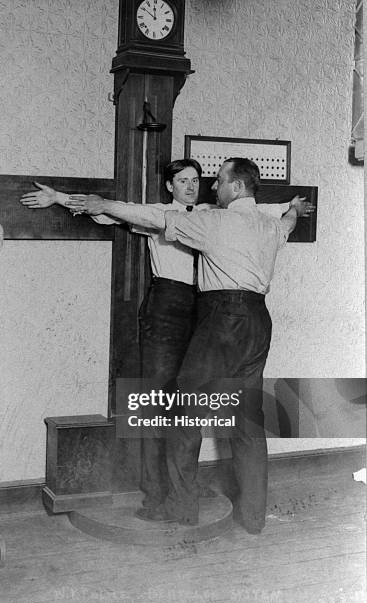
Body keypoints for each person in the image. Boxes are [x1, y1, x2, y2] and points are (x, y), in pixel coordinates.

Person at [21, 159, 311, 530]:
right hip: (258, 322)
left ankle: (181, 508)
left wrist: (101, 202)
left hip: (222, 321)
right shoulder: (270, 225)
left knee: (184, 417)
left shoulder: (212, 221)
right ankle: (254, 519)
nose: (210, 187)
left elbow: (148, 217)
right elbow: (286, 224)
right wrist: (294, 210)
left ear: (236, 188)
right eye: (190, 180)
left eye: (218, 181)